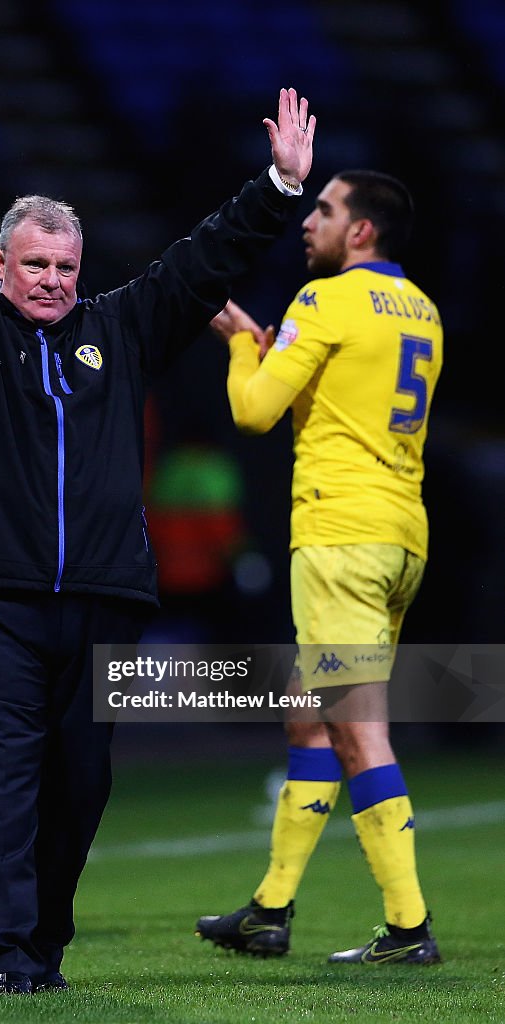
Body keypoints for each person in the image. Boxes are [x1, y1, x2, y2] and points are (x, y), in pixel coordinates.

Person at [0, 42, 315, 994]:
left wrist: (277, 186)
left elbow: (197, 263)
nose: (52, 278)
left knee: (80, 789)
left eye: (65, 264)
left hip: (99, 599)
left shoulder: (120, 328)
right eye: (35, 262)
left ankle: (43, 939)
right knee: (3, 779)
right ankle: (10, 962)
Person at [197, 170, 443, 964]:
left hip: (339, 539)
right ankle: (269, 910)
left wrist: (242, 346)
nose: (309, 222)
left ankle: (407, 928)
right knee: (309, 717)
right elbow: (344, 399)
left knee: (356, 730)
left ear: (361, 232)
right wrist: (282, 357)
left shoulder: (323, 301)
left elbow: (253, 410)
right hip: (399, 534)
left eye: (325, 210)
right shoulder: (423, 312)